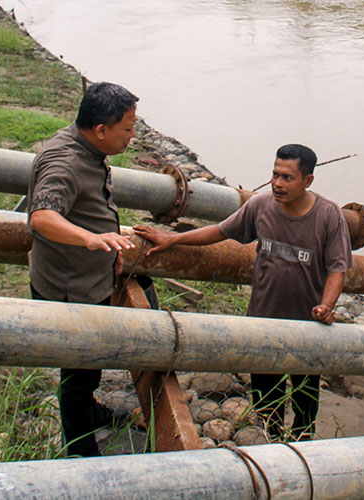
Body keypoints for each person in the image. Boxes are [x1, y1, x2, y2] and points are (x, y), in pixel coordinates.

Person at [135, 143, 352, 440]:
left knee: (305, 397)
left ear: (308, 180)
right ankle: (270, 439)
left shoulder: (328, 215)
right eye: (275, 174)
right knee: (266, 397)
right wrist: (173, 239)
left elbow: (338, 268)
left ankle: (302, 442)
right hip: (262, 321)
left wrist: (326, 307)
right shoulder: (260, 206)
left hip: (308, 326)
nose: (277, 183)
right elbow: (220, 231)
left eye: (287, 177)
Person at [27, 81, 138, 457]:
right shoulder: (65, 163)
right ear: (101, 129)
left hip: (88, 276)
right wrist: (91, 239)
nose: (132, 137)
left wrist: (107, 238)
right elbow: (42, 217)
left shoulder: (87, 145)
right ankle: (80, 451)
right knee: (78, 373)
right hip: (71, 286)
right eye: (127, 129)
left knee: (87, 364)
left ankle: (89, 410)